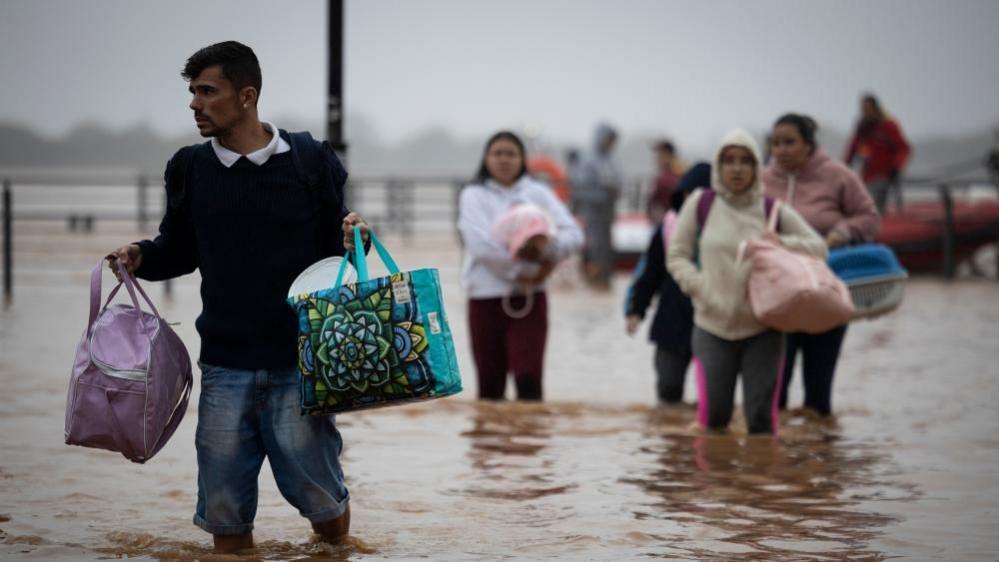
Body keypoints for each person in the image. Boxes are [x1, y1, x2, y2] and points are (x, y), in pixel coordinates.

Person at [105, 41, 364, 553]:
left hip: (303, 362)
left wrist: (353, 237)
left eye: (207, 91)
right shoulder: (188, 168)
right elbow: (179, 250)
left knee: (322, 501)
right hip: (224, 365)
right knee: (224, 513)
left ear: (246, 96)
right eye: (192, 92)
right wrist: (141, 255)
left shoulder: (310, 160)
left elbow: (333, 256)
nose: (195, 104)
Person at [667, 130, 825, 434]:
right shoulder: (701, 203)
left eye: (745, 161)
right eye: (729, 161)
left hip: (764, 327)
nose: (737, 169)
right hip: (711, 325)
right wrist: (700, 288)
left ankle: (759, 480)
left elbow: (818, 248)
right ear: (718, 166)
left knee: (761, 421)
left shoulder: (772, 209)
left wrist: (779, 241)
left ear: (756, 168)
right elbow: (677, 255)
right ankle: (715, 481)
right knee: (714, 419)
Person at [764, 113, 880, 416]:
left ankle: (821, 457)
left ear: (808, 144)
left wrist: (841, 233)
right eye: (775, 143)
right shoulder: (762, 180)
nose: (781, 150)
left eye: (789, 142)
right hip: (778, 298)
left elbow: (868, 216)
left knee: (818, 396)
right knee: (772, 394)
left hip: (827, 294)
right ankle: (771, 460)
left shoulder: (837, 175)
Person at [458, 131, 583, 401]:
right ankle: (491, 443)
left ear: (523, 159)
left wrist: (545, 253)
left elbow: (573, 234)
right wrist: (523, 271)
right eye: (498, 153)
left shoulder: (538, 193)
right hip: (484, 299)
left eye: (511, 153)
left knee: (529, 382)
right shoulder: (472, 195)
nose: (504, 159)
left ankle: (530, 442)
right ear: (486, 158)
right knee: (489, 387)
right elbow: (480, 247)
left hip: (530, 300)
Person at [624, 163, 710, 405]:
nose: (693, 201)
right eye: (688, 194)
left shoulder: (724, 232)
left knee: (713, 398)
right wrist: (635, 311)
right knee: (668, 391)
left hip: (714, 322)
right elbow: (649, 274)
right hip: (671, 322)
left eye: (701, 196)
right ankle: (670, 440)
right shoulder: (667, 229)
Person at [573, 123, 624, 290]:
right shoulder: (588, 160)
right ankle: (592, 279)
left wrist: (613, 190)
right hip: (593, 211)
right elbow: (580, 187)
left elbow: (619, 182)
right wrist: (602, 191)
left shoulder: (613, 161)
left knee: (606, 244)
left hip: (608, 211)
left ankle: (604, 278)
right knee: (593, 243)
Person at [843, 93, 911, 213]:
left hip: (886, 173)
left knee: (879, 204)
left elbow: (903, 148)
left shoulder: (888, 125)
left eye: (868, 108)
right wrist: (843, 167)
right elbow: (852, 150)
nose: (866, 112)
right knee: (868, 203)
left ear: (875, 108)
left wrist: (896, 167)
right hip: (868, 174)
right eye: (863, 109)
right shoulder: (862, 127)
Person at [646, 140, 681, 224]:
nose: (657, 158)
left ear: (669, 155)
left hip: (668, 224)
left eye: (660, 154)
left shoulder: (674, 176)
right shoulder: (663, 175)